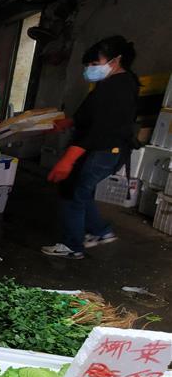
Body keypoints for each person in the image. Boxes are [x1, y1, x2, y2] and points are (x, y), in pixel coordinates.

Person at [42, 35, 139, 259]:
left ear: (116, 61)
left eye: (95, 64)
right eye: (88, 65)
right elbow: (93, 114)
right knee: (82, 191)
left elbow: (98, 129)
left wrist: (68, 159)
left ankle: (72, 246)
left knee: (73, 192)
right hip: (108, 150)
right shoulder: (117, 82)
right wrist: (70, 122)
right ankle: (101, 231)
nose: (89, 69)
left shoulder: (116, 87)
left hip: (102, 150)